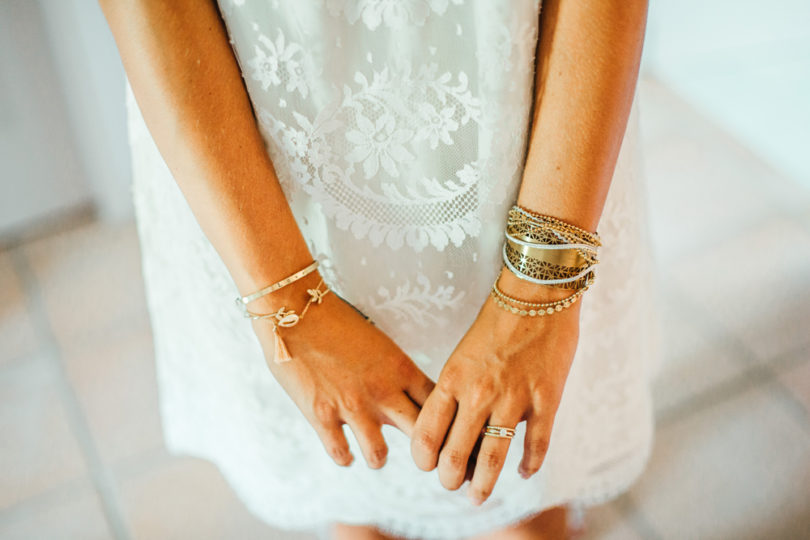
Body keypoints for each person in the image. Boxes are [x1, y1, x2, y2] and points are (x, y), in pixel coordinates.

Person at [100, 0, 657, 538]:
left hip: (521, 102)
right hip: (244, 131)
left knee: (527, 462)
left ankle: (525, 511)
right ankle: (362, 511)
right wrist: (287, 305)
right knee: (343, 453)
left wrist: (538, 294)